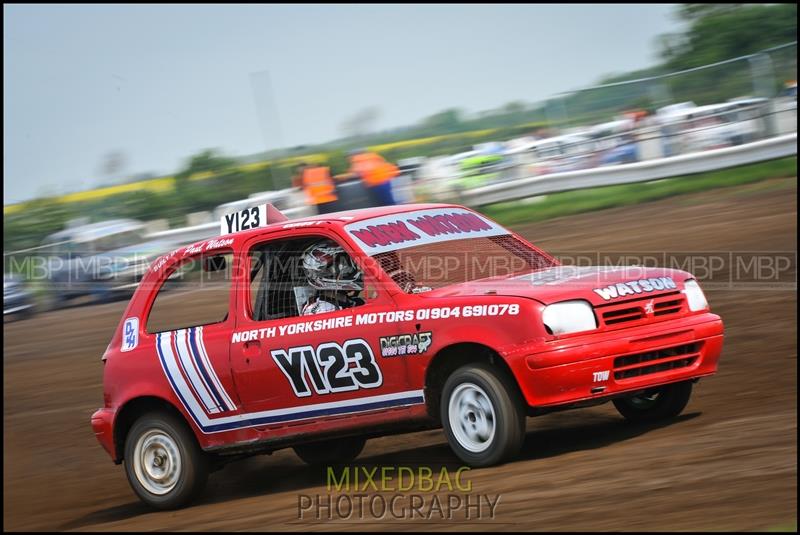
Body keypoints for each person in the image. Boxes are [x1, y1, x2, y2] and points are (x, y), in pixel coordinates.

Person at [300, 239, 364, 315]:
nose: (349, 269)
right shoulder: (322, 309)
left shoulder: (354, 301)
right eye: (344, 265)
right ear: (325, 274)